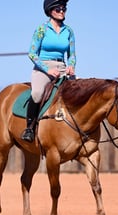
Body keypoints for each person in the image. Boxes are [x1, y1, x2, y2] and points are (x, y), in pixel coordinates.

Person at [21, 0, 76, 142]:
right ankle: (29, 128)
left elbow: (72, 54)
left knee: (77, 94)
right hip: (43, 67)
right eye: (58, 9)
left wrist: (71, 66)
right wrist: (48, 70)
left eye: (64, 8)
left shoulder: (69, 31)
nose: (62, 11)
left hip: (63, 67)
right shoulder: (42, 29)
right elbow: (32, 54)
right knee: (37, 94)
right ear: (50, 10)